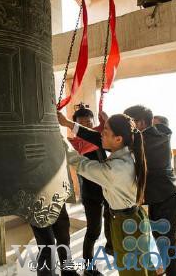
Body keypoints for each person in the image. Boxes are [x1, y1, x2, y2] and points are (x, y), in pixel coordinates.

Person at [59, 112, 157, 276]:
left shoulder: (115, 169)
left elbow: (80, 164)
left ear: (118, 139)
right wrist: (68, 124)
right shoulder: (129, 151)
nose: (101, 133)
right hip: (135, 217)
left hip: (126, 224)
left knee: (131, 271)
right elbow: (96, 137)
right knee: (142, 267)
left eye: (105, 130)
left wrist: (59, 139)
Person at [124, 105, 176, 276]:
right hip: (175, 193)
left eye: (130, 123)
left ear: (139, 123)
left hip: (161, 199)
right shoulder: (164, 132)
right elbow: (159, 125)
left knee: (166, 246)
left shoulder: (140, 140)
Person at [67, 104, 113, 276]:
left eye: (89, 121)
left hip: (108, 189)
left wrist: (107, 122)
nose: (86, 124)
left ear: (94, 121)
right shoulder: (76, 143)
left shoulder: (101, 138)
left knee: (111, 220)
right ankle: (88, 267)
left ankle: (111, 247)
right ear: (76, 125)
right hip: (90, 193)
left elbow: (114, 145)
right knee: (93, 230)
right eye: (81, 122)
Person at [30, 204, 80, 276]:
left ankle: (68, 272)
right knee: (47, 247)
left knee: (64, 238)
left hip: (57, 199)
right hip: (36, 204)